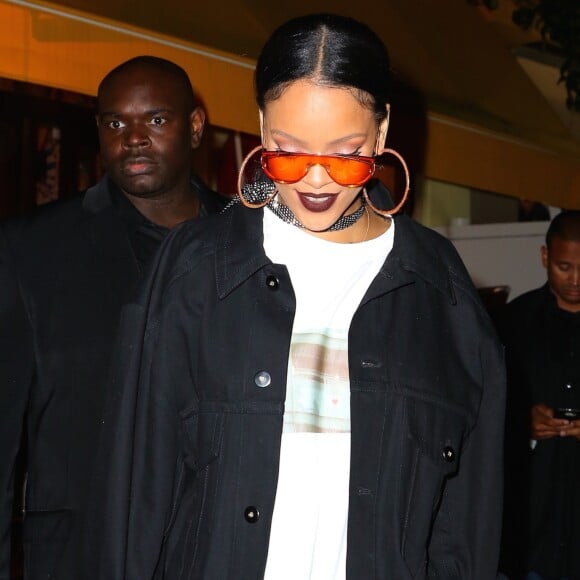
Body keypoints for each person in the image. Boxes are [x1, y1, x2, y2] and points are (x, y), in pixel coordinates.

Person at [86, 14, 505, 580]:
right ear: (261, 127)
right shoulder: (192, 271)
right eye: (287, 151)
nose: (313, 180)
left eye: (345, 153)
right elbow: (132, 497)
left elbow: (466, 525)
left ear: (381, 134)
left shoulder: (441, 291)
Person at [0, 55, 226, 580]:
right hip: (81, 554)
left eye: (156, 119)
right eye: (116, 123)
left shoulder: (248, 243)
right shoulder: (33, 251)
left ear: (194, 127)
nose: (133, 138)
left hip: (213, 548)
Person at [500, 210, 580, 580]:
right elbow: (486, 407)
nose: (575, 280)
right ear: (545, 257)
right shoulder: (513, 321)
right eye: (565, 267)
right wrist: (524, 423)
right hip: (532, 513)